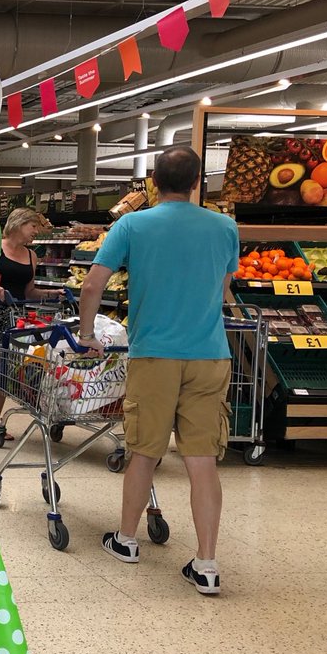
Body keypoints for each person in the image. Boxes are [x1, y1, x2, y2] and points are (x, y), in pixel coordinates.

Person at [78, 146, 238, 596]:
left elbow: (93, 283)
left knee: (144, 451)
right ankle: (206, 565)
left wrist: (88, 332)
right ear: (197, 182)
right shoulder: (225, 227)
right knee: (202, 460)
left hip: (154, 355)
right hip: (210, 354)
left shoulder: (132, 224)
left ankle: (126, 540)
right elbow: (223, 287)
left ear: (152, 179)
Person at [0, 207, 66, 441]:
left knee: (7, 372)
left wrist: (50, 293)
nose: (36, 231)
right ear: (18, 224)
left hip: (17, 318)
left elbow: (29, 291)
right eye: (33, 226)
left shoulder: (31, 256)